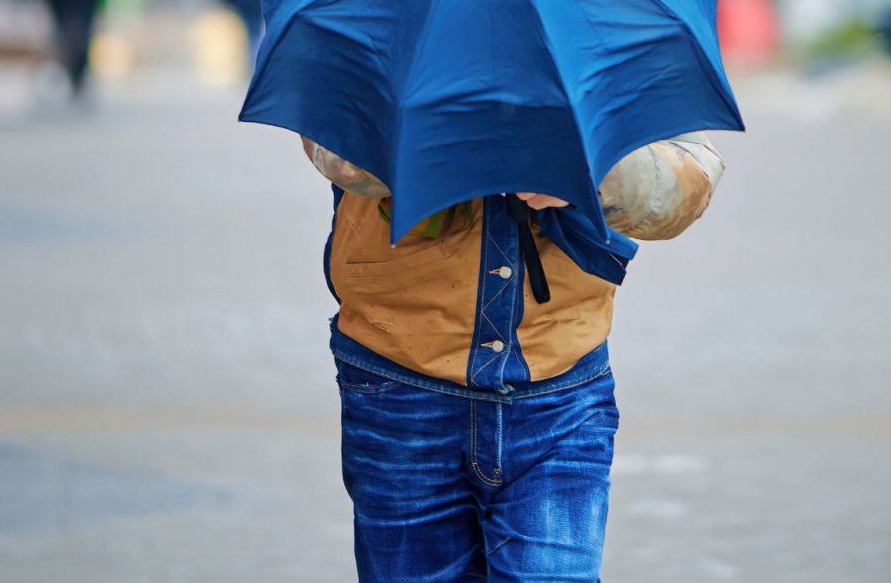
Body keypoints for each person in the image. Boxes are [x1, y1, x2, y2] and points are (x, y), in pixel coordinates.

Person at [303, 133, 723, 581]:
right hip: (397, 384)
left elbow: (690, 176)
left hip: (562, 388)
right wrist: (463, 136)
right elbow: (331, 141)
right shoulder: (383, 58)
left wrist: (586, 172)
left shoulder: (609, 58)